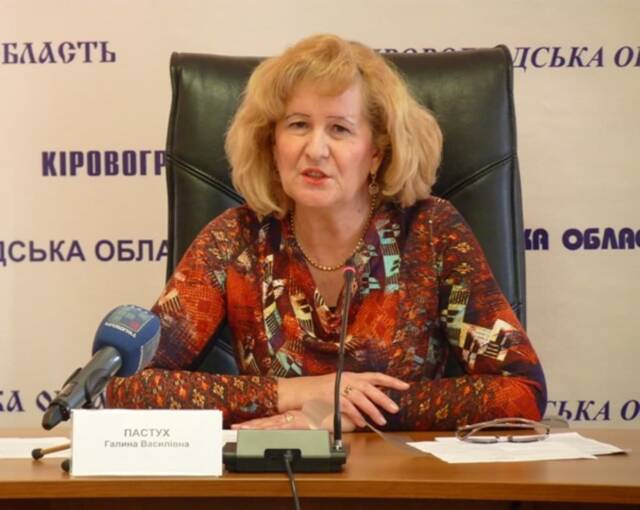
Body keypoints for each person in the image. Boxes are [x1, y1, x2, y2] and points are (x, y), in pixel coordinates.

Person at [107, 34, 546, 431]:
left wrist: (345, 412)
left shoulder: (430, 233)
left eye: (340, 129)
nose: (315, 149)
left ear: (376, 153)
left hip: (402, 479)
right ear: (272, 142)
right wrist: (291, 394)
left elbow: (520, 391)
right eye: (298, 124)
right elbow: (124, 386)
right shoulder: (236, 239)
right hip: (272, 476)